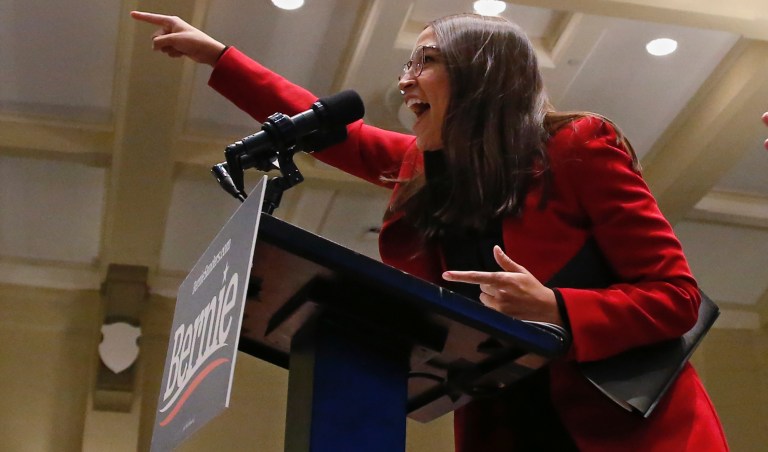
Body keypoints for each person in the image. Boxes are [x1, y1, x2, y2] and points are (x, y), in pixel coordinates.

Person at [131, 11, 728, 451]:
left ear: (483, 75)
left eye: (426, 61)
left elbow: (675, 298)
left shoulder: (578, 146)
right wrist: (219, 59)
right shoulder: (424, 169)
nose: (404, 81)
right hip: (504, 426)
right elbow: (336, 132)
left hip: (628, 432)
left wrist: (556, 307)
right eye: (407, 63)